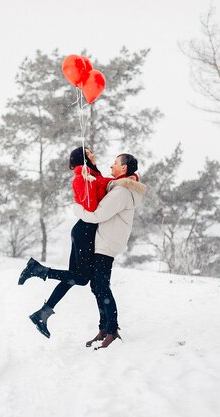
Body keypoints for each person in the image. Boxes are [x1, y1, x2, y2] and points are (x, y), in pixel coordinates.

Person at [18, 147, 132, 338]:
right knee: (80, 278)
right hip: (84, 232)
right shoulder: (81, 178)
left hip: (85, 231)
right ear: (84, 158)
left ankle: (42, 314)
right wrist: (89, 182)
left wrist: (124, 180)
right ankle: (37, 270)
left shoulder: (93, 174)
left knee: (72, 277)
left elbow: (108, 184)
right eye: (90, 152)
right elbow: (91, 207)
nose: (94, 154)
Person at [72, 153, 146, 349]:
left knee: (102, 287)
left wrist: (76, 209)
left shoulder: (121, 192)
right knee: (96, 285)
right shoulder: (119, 188)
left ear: (124, 169)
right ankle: (104, 328)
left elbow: (97, 215)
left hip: (107, 243)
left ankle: (112, 331)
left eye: (115, 163)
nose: (111, 165)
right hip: (106, 241)